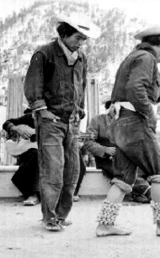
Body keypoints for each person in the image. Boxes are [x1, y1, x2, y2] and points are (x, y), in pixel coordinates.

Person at [95, 26, 160, 237]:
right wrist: (150, 115)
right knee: (159, 172)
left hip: (119, 124)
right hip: (135, 122)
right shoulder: (147, 58)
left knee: (123, 177)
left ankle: (105, 224)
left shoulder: (132, 57)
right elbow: (136, 89)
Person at [24, 15, 100, 231]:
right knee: (53, 170)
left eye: (84, 39)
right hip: (51, 122)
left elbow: (81, 86)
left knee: (72, 170)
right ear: (64, 34)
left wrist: (80, 110)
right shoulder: (44, 54)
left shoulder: (81, 58)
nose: (81, 42)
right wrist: (43, 111)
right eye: (78, 38)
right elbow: (32, 85)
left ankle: (61, 215)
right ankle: (50, 218)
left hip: (72, 122)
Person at [83, 101, 151, 203]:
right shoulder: (96, 120)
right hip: (107, 160)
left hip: (126, 157)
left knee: (142, 168)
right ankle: (147, 191)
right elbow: (88, 142)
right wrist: (104, 150)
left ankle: (138, 193)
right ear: (110, 108)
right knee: (123, 173)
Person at [2, 109, 40, 206]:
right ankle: (32, 194)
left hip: (50, 152)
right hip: (28, 153)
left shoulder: (55, 119)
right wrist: (16, 128)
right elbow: (7, 123)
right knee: (36, 155)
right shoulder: (30, 117)